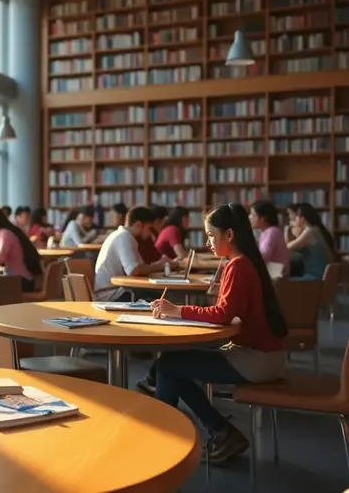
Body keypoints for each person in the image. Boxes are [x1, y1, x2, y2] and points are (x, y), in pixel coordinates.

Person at [149, 203, 288, 464]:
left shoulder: (238, 266)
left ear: (229, 234)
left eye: (211, 235)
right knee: (170, 365)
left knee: (168, 366)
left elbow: (222, 314)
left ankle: (165, 440)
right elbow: (228, 311)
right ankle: (220, 431)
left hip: (256, 359)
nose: (207, 242)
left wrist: (177, 310)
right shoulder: (244, 263)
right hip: (264, 355)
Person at [94, 206, 174, 301]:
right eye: (149, 228)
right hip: (112, 295)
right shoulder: (124, 237)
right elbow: (133, 270)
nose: (150, 233)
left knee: (159, 297)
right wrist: (160, 266)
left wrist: (158, 264)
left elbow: (140, 267)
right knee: (163, 299)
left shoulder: (125, 236)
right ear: (138, 225)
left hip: (116, 291)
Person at [287, 202, 336, 280]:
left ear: (302, 218)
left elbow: (287, 248)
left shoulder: (310, 232)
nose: (294, 220)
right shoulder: (316, 229)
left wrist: (287, 231)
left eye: (296, 216)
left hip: (314, 277)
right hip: (318, 276)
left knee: (280, 283)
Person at [249, 199, 290, 277]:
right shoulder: (265, 232)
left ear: (263, 218)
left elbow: (263, 257)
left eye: (253, 214)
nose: (250, 217)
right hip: (271, 271)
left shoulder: (272, 232)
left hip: (277, 274)